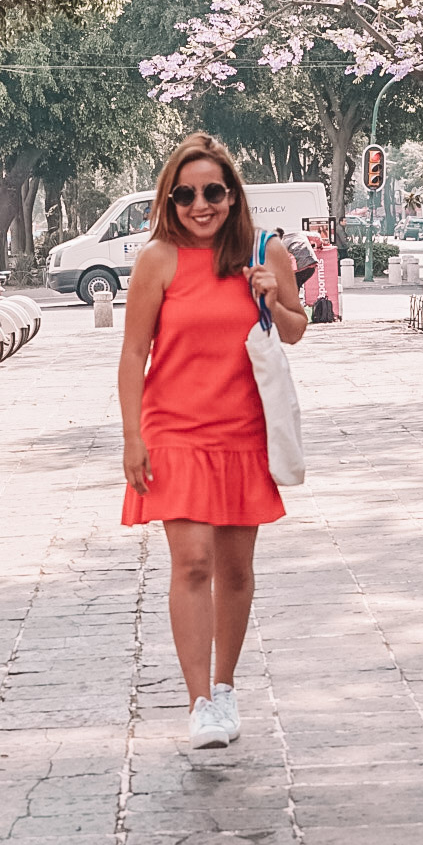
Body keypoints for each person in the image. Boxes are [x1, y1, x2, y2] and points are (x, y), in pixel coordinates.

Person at [118, 133, 308, 750]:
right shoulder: (157, 260)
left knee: (235, 568)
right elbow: (133, 352)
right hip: (173, 428)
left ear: (232, 194)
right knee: (191, 561)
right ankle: (199, 700)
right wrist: (132, 436)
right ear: (169, 201)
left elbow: (297, 331)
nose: (200, 205)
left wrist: (273, 299)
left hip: (242, 429)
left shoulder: (264, 250)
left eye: (213, 192)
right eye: (185, 195)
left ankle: (225, 686)